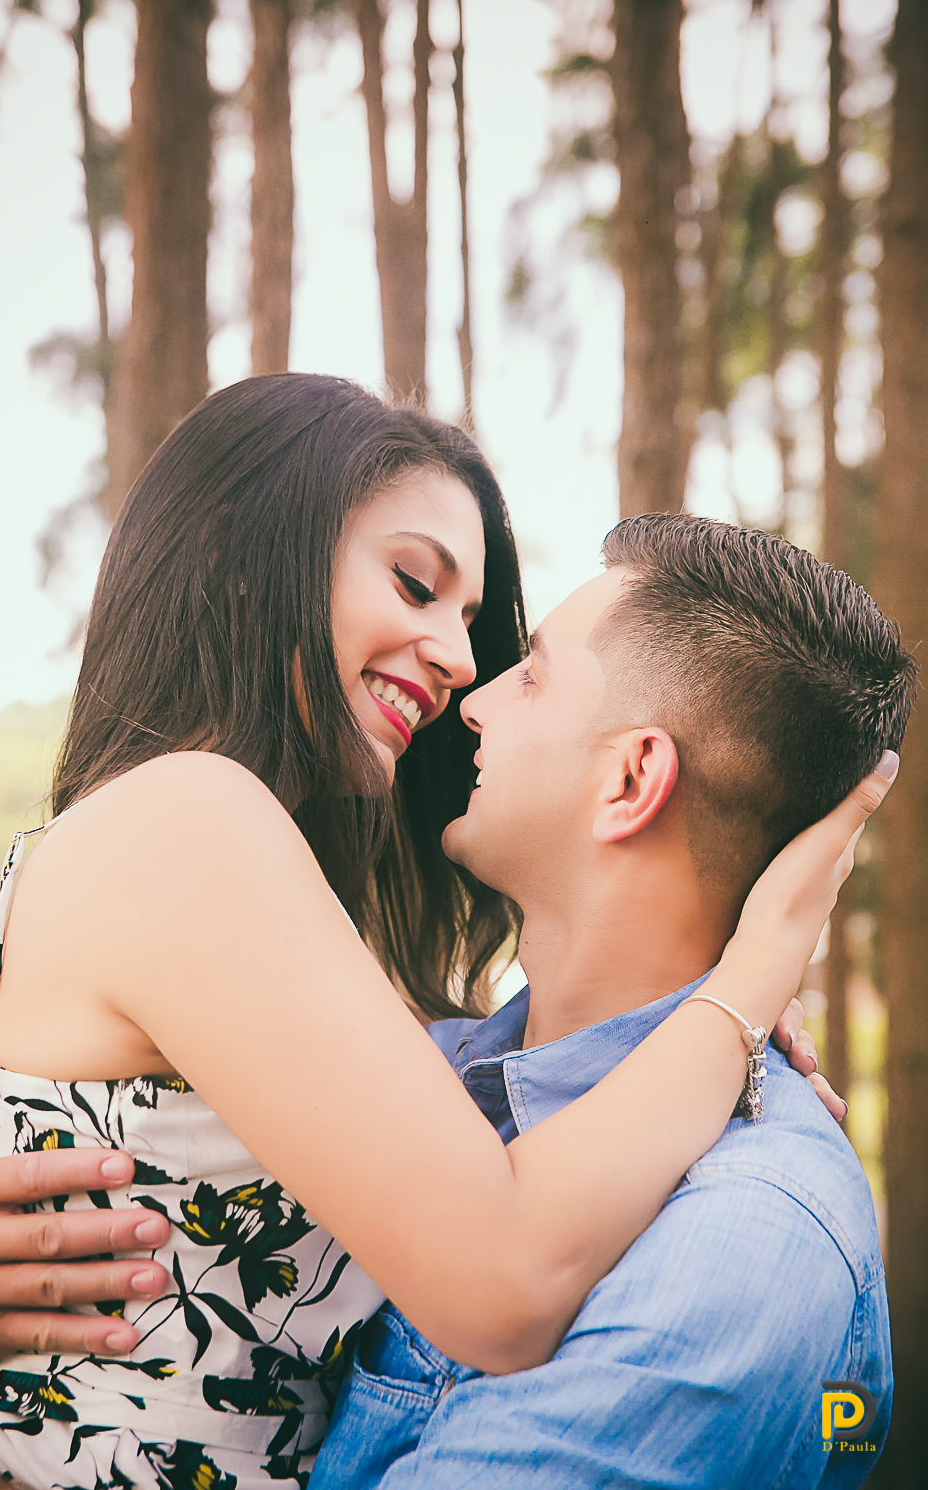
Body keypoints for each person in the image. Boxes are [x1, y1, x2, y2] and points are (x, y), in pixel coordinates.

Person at [0, 374, 883, 1489]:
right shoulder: (186, 820)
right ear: (246, 554)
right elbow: (500, 1277)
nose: (461, 663)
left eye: (471, 620)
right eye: (415, 582)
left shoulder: (300, 932)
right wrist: (743, 980)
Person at [303, 514, 911, 1490]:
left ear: (629, 778)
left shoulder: (746, 1240)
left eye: (533, 674)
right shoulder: (419, 1072)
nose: (475, 699)